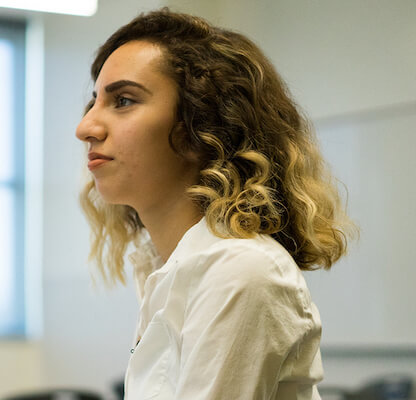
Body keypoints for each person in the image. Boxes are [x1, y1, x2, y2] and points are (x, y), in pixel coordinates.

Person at [76, 9, 352, 400]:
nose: (85, 127)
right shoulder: (168, 270)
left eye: (123, 100)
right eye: (95, 101)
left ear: (199, 128)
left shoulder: (240, 270)